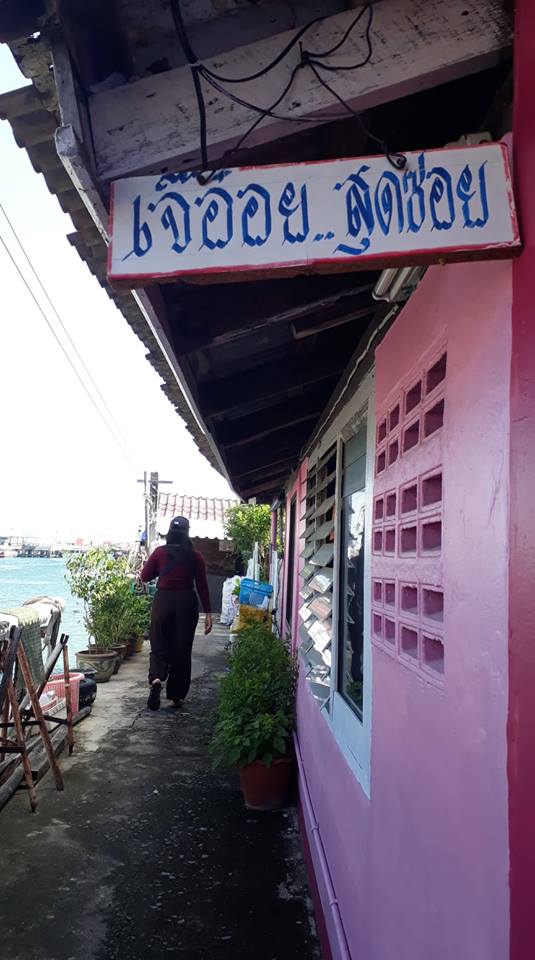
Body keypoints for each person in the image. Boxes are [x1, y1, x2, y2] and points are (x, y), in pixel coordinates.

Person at [140, 516, 213, 711]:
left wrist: (161, 571)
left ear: (170, 532)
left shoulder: (159, 552)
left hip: (163, 602)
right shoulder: (195, 555)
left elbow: (145, 576)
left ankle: (156, 679)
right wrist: (208, 613)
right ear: (187, 532)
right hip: (186, 603)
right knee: (182, 650)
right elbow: (202, 586)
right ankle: (176, 696)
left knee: (159, 644)